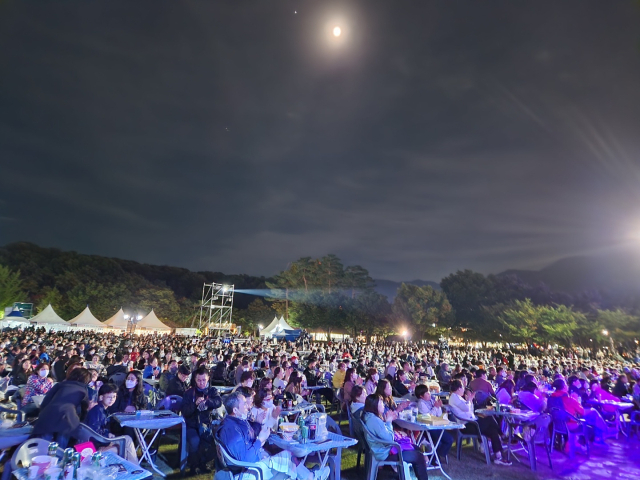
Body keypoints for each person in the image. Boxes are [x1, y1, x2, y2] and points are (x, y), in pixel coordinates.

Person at [217, 391, 329, 480]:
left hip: (251, 465)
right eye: (244, 404)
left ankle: (308, 475)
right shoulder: (230, 431)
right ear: (235, 410)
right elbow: (246, 459)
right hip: (248, 472)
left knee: (288, 459)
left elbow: (249, 435)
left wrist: (259, 423)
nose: (248, 406)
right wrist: (260, 441)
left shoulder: (236, 422)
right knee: (288, 456)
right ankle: (311, 476)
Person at [362, 394, 429, 480]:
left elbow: (384, 435)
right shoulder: (374, 421)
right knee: (418, 456)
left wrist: (387, 422)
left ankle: (404, 475)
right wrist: (389, 422)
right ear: (375, 405)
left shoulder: (370, 417)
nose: (383, 405)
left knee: (416, 448)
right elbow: (390, 439)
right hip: (385, 453)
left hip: (383, 449)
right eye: (381, 403)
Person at [448, 380, 511, 465]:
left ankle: (498, 456)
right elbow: (466, 409)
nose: (463, 389)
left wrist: (469, 401)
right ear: (459, 388)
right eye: (462, 387)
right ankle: (502, 435)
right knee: (489, 419)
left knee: (492, 430)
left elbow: (470, 409)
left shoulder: (457, 397)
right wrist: (470, 399)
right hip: (466, 425)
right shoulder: (454, 397)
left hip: (471, 422)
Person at [32, 367, 92, 447]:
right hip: (68, 418)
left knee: (43, 445)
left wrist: (42, 413)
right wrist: (80, 421)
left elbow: (46, 401)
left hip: (48, 415)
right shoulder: (83, 390)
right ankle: (60, 458)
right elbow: (84, 408)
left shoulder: (60, 385)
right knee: (61, 447)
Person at [182, 367, 222, 474]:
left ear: (208, 378)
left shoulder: (212, 391)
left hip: (206, 423)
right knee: (195, 441)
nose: (201, 383)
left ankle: (204, 463)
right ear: (195, 379)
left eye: (204, 380)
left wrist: (207, 402)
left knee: (210, 440)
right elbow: (185, 411)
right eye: (199, 380)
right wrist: (195, 405)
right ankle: (194, 465)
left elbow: (218, 402)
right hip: (192, 424)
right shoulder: (189, 393)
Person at [84, 383, 138, 463]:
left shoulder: (103, 410)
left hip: (101, 441)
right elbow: (94, 433)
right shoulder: (97, 411)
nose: (112, 399)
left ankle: (135, 468)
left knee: (127, 439)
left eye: (114, 397)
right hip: (96, 447)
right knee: (126, 443)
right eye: (109, 397)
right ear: (101, 397)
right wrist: (108, 437)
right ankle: (136, 469)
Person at [414, 384, 453, 459]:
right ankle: (435, 456)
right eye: (427, 393)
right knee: (448, 440)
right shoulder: (421, 403)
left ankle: (436, 456)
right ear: (421, 396)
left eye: (429, 392)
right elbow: (428, 417)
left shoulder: (431, 401)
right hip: (428, 427)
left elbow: (438, 415)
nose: (429, 394)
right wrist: (436, 407)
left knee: (448, 439)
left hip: (436, 425)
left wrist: (438, 407)